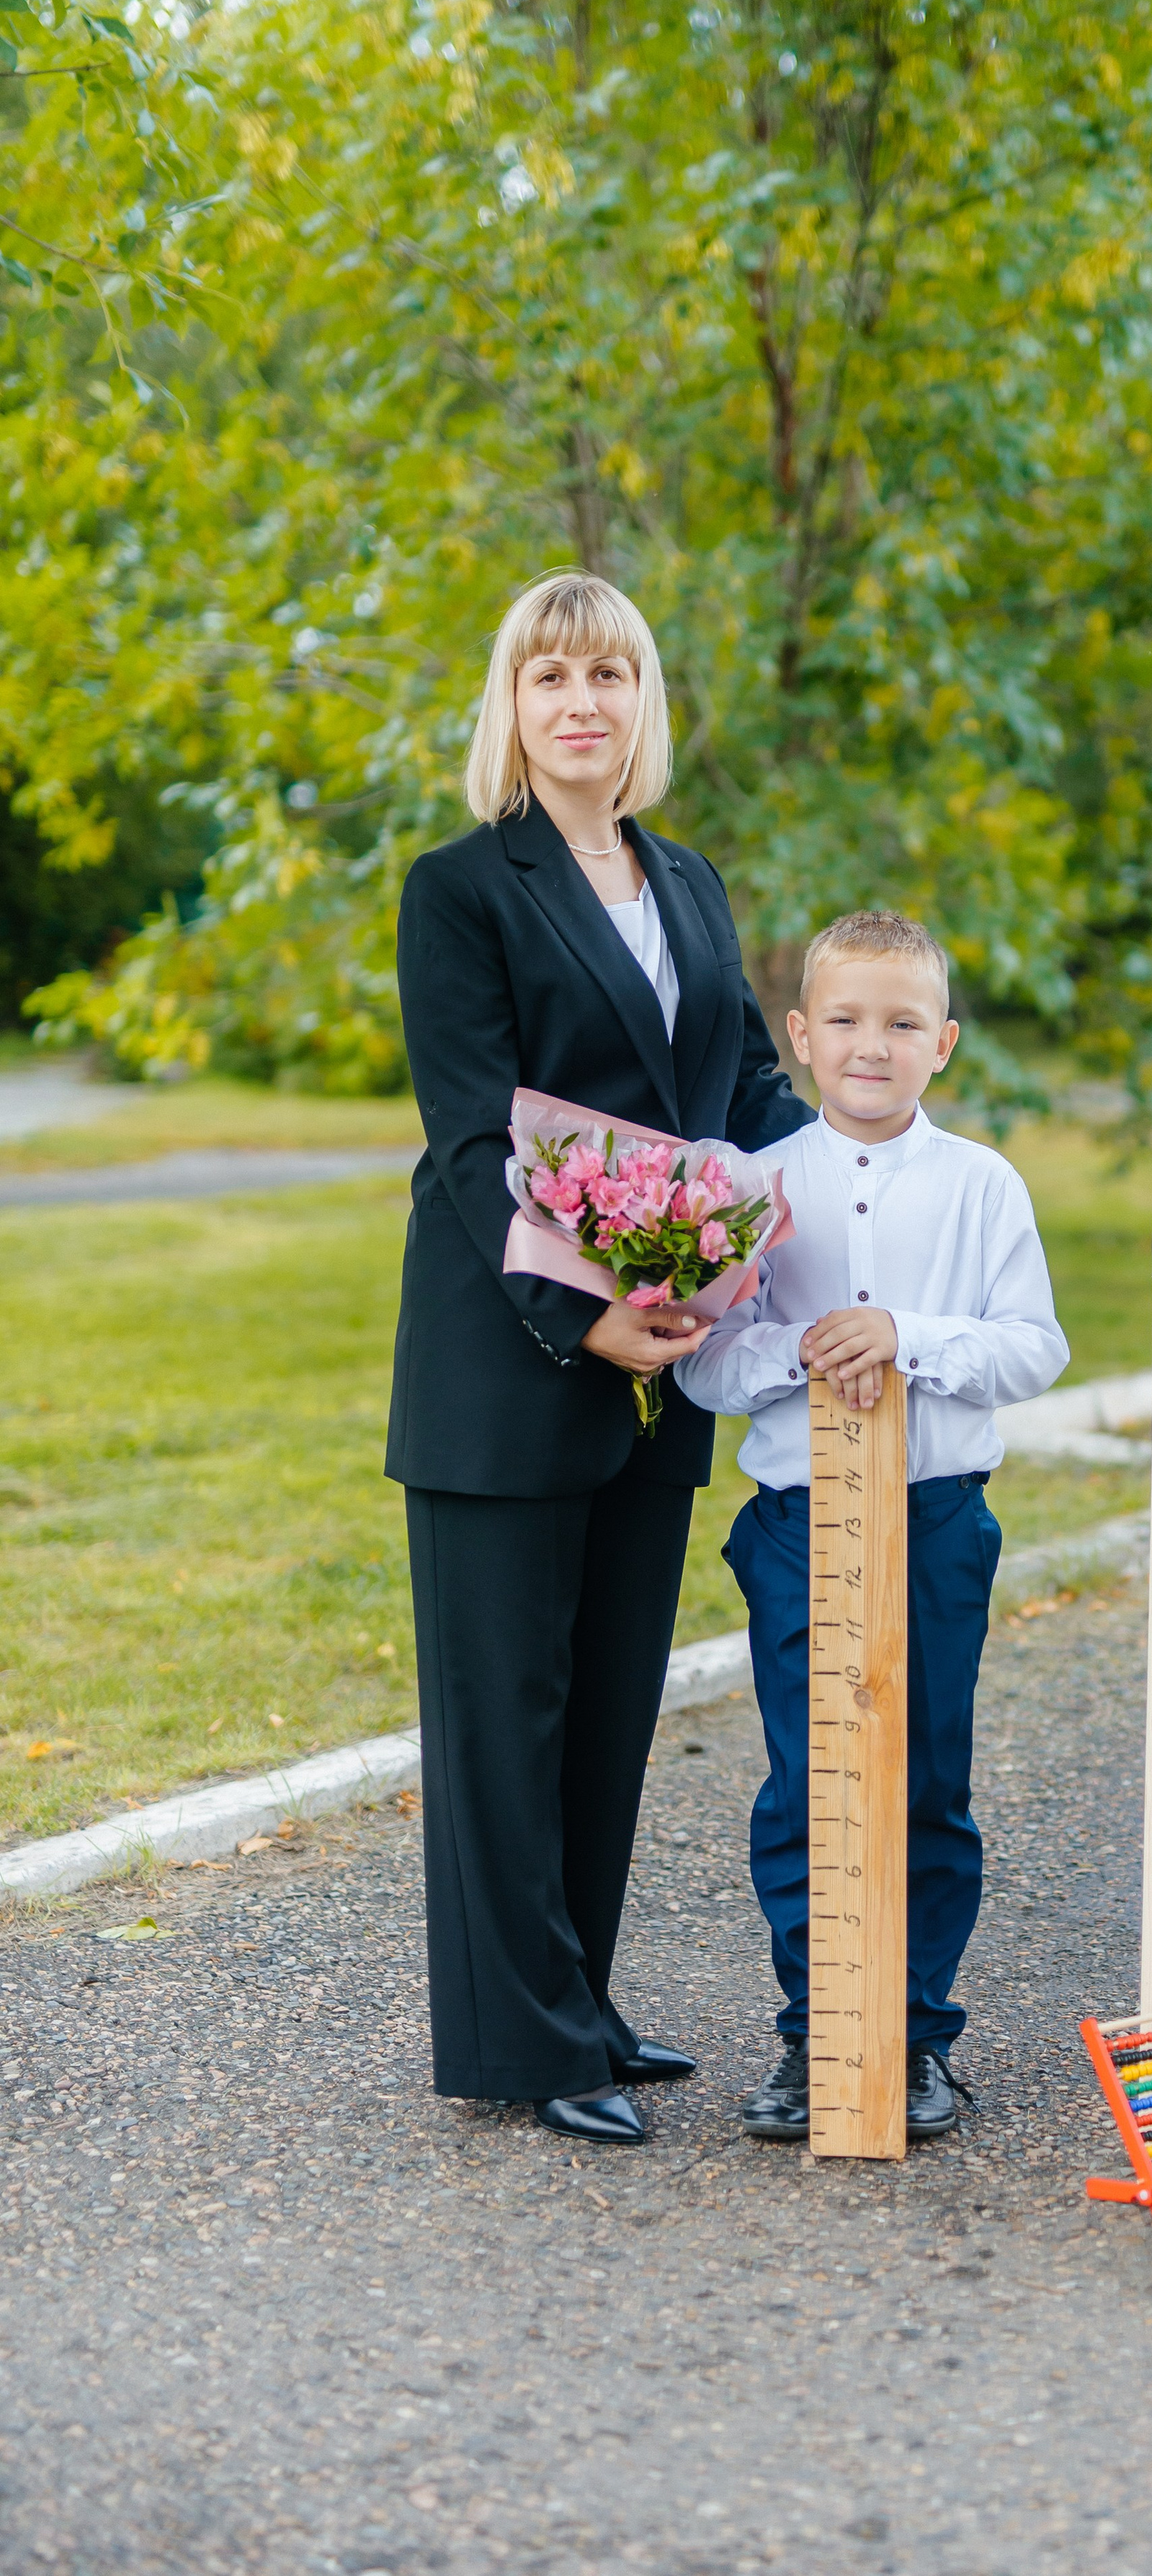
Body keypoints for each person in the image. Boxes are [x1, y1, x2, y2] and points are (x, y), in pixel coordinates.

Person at [386, 569, 813, 2147]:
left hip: (665, 1363)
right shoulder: (460, 886)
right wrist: (581, 1315)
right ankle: (522, 2041)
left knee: (610, 1702)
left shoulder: (688, 882)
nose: (582, 701)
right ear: (512, 705)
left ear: (645, 702)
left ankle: (582, 2002)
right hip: (513, 1365)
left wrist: (879, 1165)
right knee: (507, 1709)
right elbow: (473, 1136)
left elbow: (746, 1094)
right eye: (551, 675)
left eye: (611, 674)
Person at [677, 910, 1068, 2140]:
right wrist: (793, 1350)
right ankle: (816, 2036)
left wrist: (911, 1336)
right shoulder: (752, 1191)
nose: (871, 1045)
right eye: (844, 1020)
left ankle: (915, 2038)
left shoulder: (982, 1184)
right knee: (807, 1783)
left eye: (902, 1024)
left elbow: (1034, 1349)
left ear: (942, 1043)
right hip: (796, 1524)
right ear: (798, 1037)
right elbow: (703, 1365)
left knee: (927, 1779)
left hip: (939, 1519)